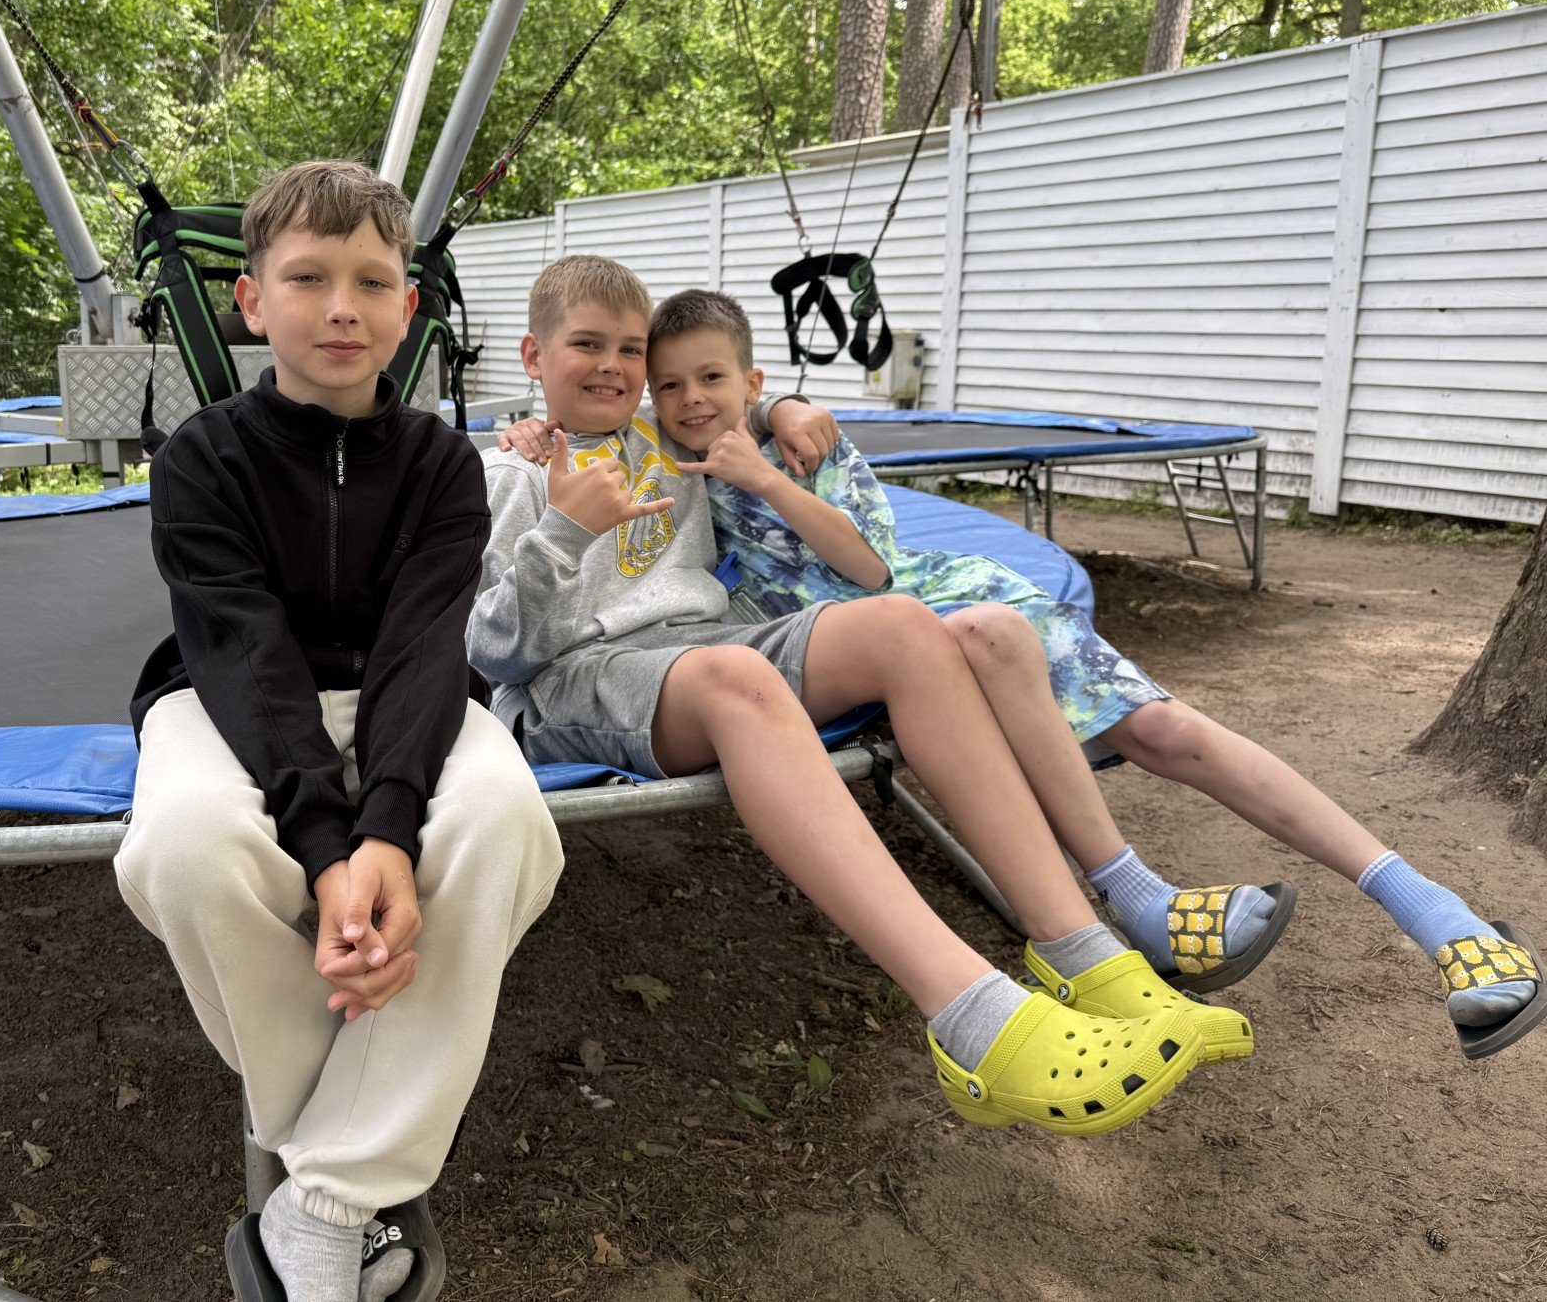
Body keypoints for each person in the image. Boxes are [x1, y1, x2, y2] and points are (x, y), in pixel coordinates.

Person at [633, 284, 1542, 1061]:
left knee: (1156, 726)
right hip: (872, 647)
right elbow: (595, 415)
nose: (691, 399)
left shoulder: (804, 446)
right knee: (989, 648)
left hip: (932, 598)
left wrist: (775, 450)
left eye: (712, 378)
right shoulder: (665, 460)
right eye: (669, 385)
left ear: (751, 381)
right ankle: (1138, 902)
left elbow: (870, 567)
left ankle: (1434, 910)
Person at [470, 254, 1243, 1146]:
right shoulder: (514, 472)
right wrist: (563, 528)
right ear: (534, 355)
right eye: (585, 346)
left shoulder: (664, 442)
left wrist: (783, 407)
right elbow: (493, 649)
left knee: (902, 627)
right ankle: (971, 1015)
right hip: (573, 676)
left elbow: (723, 390)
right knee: (740, 680)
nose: (611, 365)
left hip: (702, 643)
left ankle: (1084, 952)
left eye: (629, 349)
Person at [114, 161, 564, 1302]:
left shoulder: (440, 464)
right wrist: (329, 851)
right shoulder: (203, 457)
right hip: (226, 698)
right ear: (251, 300)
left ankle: (318, 1204)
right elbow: (243, 651)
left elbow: (423, 645)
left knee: (507, 821)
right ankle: (364, 1155)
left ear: (408, 308)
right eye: (307, 278)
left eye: (371, 282)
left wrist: (389, 833)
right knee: (187, 847)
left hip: (403, 699)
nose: (341, 308)